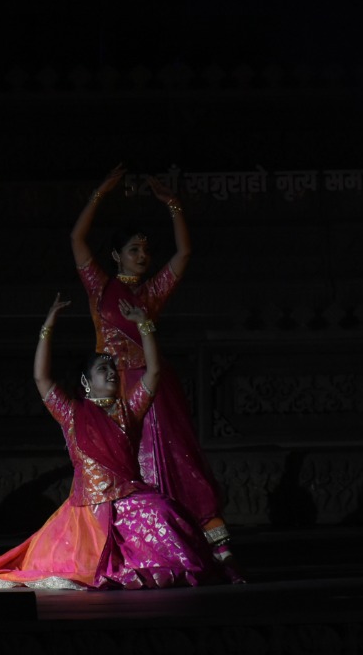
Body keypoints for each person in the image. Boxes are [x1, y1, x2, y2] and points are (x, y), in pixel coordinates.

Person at [0, 296, 223, 590]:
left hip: (130, 500)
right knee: (63, 568)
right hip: (85, 513)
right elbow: (41, 378)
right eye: (103, 369)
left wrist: (143, 326)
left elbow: (154, 372)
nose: (112, 372)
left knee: (167, 514)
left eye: (113, 368)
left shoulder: (129, 409)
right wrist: (48, 327)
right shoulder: (72, 414)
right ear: (86, 382)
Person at [72, 164, 238, 575]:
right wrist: (101, 192)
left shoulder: (153, 292)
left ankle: (212, 549)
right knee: (118, 470)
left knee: (173, 461)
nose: (143, 256)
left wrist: (174, 205)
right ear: (115, 255)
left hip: (151, 390)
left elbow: (184, 253)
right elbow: (76, 238)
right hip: (112, 396)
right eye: (133, 250)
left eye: (145, 250)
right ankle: (129, 550)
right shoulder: (99, 287)